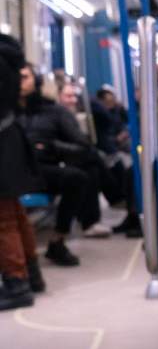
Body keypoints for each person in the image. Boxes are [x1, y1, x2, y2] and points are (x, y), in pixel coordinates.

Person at [17, 64, 111, 265]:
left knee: (76, 178)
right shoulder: (8, 112)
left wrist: (52, 148)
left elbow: (82, 146)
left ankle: (58, 239)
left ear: (37, 81)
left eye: (25, 77)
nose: (19, 82)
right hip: (12, 170)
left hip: (41, 169)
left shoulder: (55, 112)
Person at [0, 35, 44, 309]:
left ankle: (16, 283)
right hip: (10, 137)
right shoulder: (8, 56)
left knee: (3, 219)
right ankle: (31, 273)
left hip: (2, 143)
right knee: (15, 213)